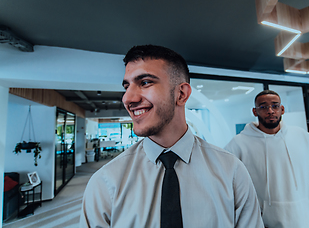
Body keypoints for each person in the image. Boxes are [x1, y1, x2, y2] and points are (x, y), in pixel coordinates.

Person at [79, 45, 264, 227]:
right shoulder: (106, 181)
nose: (128, 98)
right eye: (127, 86)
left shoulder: (231, 171)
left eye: (144, 83)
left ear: (181, 94)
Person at [224, 90, 309, 228]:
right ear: (255, 111)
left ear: (282, 109)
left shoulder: (303, 137)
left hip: (304, 221)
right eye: (263, 107)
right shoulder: (238, 144)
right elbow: (226, 184)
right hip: (262, 223)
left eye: (275, 106)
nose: (270, 111)